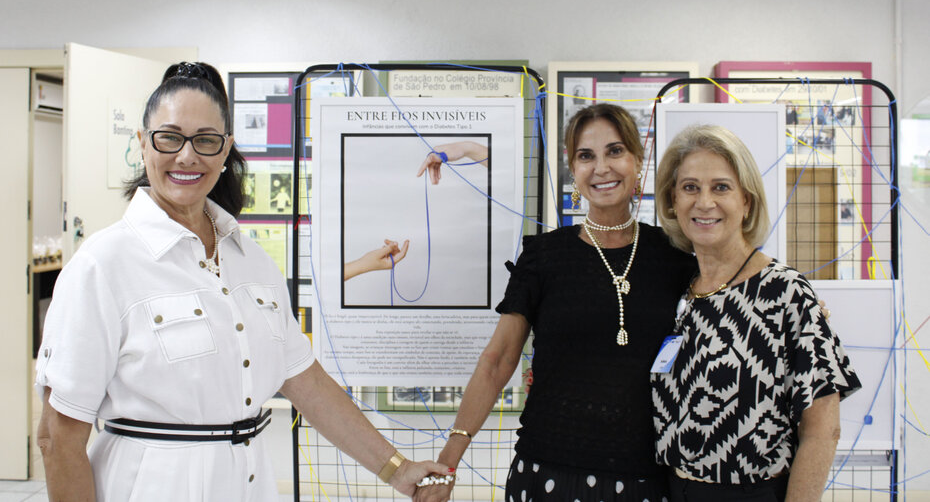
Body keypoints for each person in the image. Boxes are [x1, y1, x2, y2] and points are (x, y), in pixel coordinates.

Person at [35, 62, 447, 501]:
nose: (187, 156)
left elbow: (306, 383)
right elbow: (57, 438)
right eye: (169, 137)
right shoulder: (102, 265)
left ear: (226, 149)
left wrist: (397, 470)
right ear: (142, 142)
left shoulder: (251, 261)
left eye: (206, 140)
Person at [415, 103, 698, 502]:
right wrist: (447, 462)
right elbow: (497, 361)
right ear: (573, 170)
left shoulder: (676, 258)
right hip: (546, 473)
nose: (601, 168)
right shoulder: (543, 257)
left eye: (615, 151)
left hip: (645, 478)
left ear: (637, 160)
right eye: (586, 156)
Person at [651, 124, 861, 502]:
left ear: (747, 201)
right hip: (672, 488)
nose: (704, 202)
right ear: (672, 200)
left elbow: (822, 430)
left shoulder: (785, 293)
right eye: (690, 187)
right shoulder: (678, 290)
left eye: (721, 187)